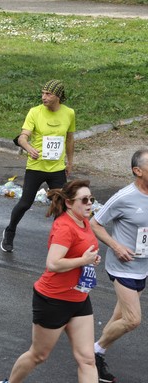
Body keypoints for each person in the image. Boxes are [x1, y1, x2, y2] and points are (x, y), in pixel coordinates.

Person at [0, 179, 100, 383]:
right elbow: (53, 263)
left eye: (92, 199)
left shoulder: (84, 221)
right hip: (54, 299)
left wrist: (90, 260)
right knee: (39, 355)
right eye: (85, 199)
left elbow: (80, 253)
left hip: (79, 298)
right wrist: (83, 260)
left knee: (87, 359)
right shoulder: (64, 227)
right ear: (69, 203)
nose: (90, 203)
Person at [90, 148, 148, 383]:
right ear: (138, 171)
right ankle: (94, 350)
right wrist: (115, 246)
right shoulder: (124, 197)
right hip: (122, 266)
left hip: (143, 266)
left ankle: (96, 358)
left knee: (119, 318)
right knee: (132, 320)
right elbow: (95, 223)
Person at [1, 80, 75, 253]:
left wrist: (70, 162)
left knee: (61, 205)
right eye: (42, 93)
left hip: (56, 168)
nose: (44, 97)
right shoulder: (35, 112)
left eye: (48, 94)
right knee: (26, 203)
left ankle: (61, 241)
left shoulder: (69, 113)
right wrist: (28, 148)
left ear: (58, 96)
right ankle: (9, 231)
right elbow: (22, 137)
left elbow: (70, 139)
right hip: (36, 166)